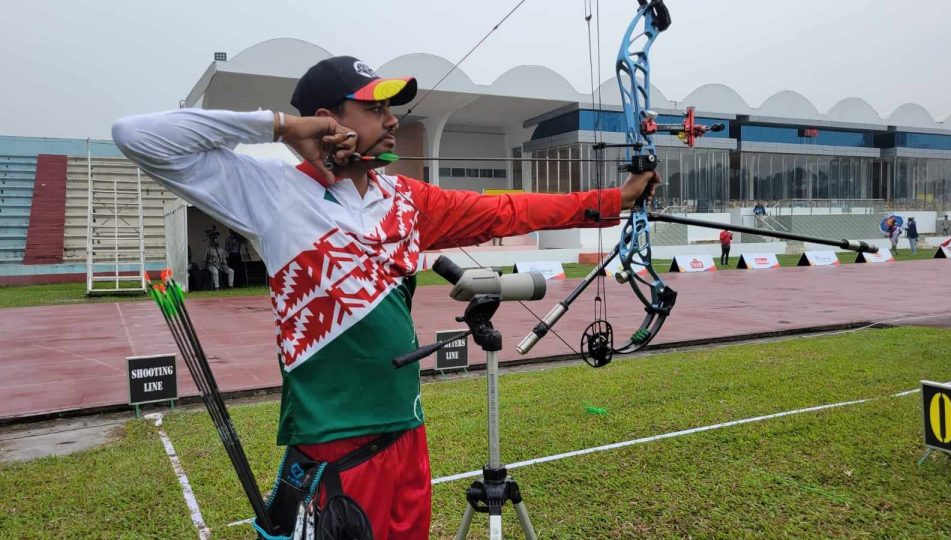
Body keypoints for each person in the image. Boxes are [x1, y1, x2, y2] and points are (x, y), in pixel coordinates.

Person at [111, 55, 658, 539]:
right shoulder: (271, 191)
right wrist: (279, 127)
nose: (393, 119)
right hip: (335, 446)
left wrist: (614, 200)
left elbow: (507, 211)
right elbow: (134, 134)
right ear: (328, 120)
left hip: (407, 433)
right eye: (375, 108)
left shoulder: (405, 199)